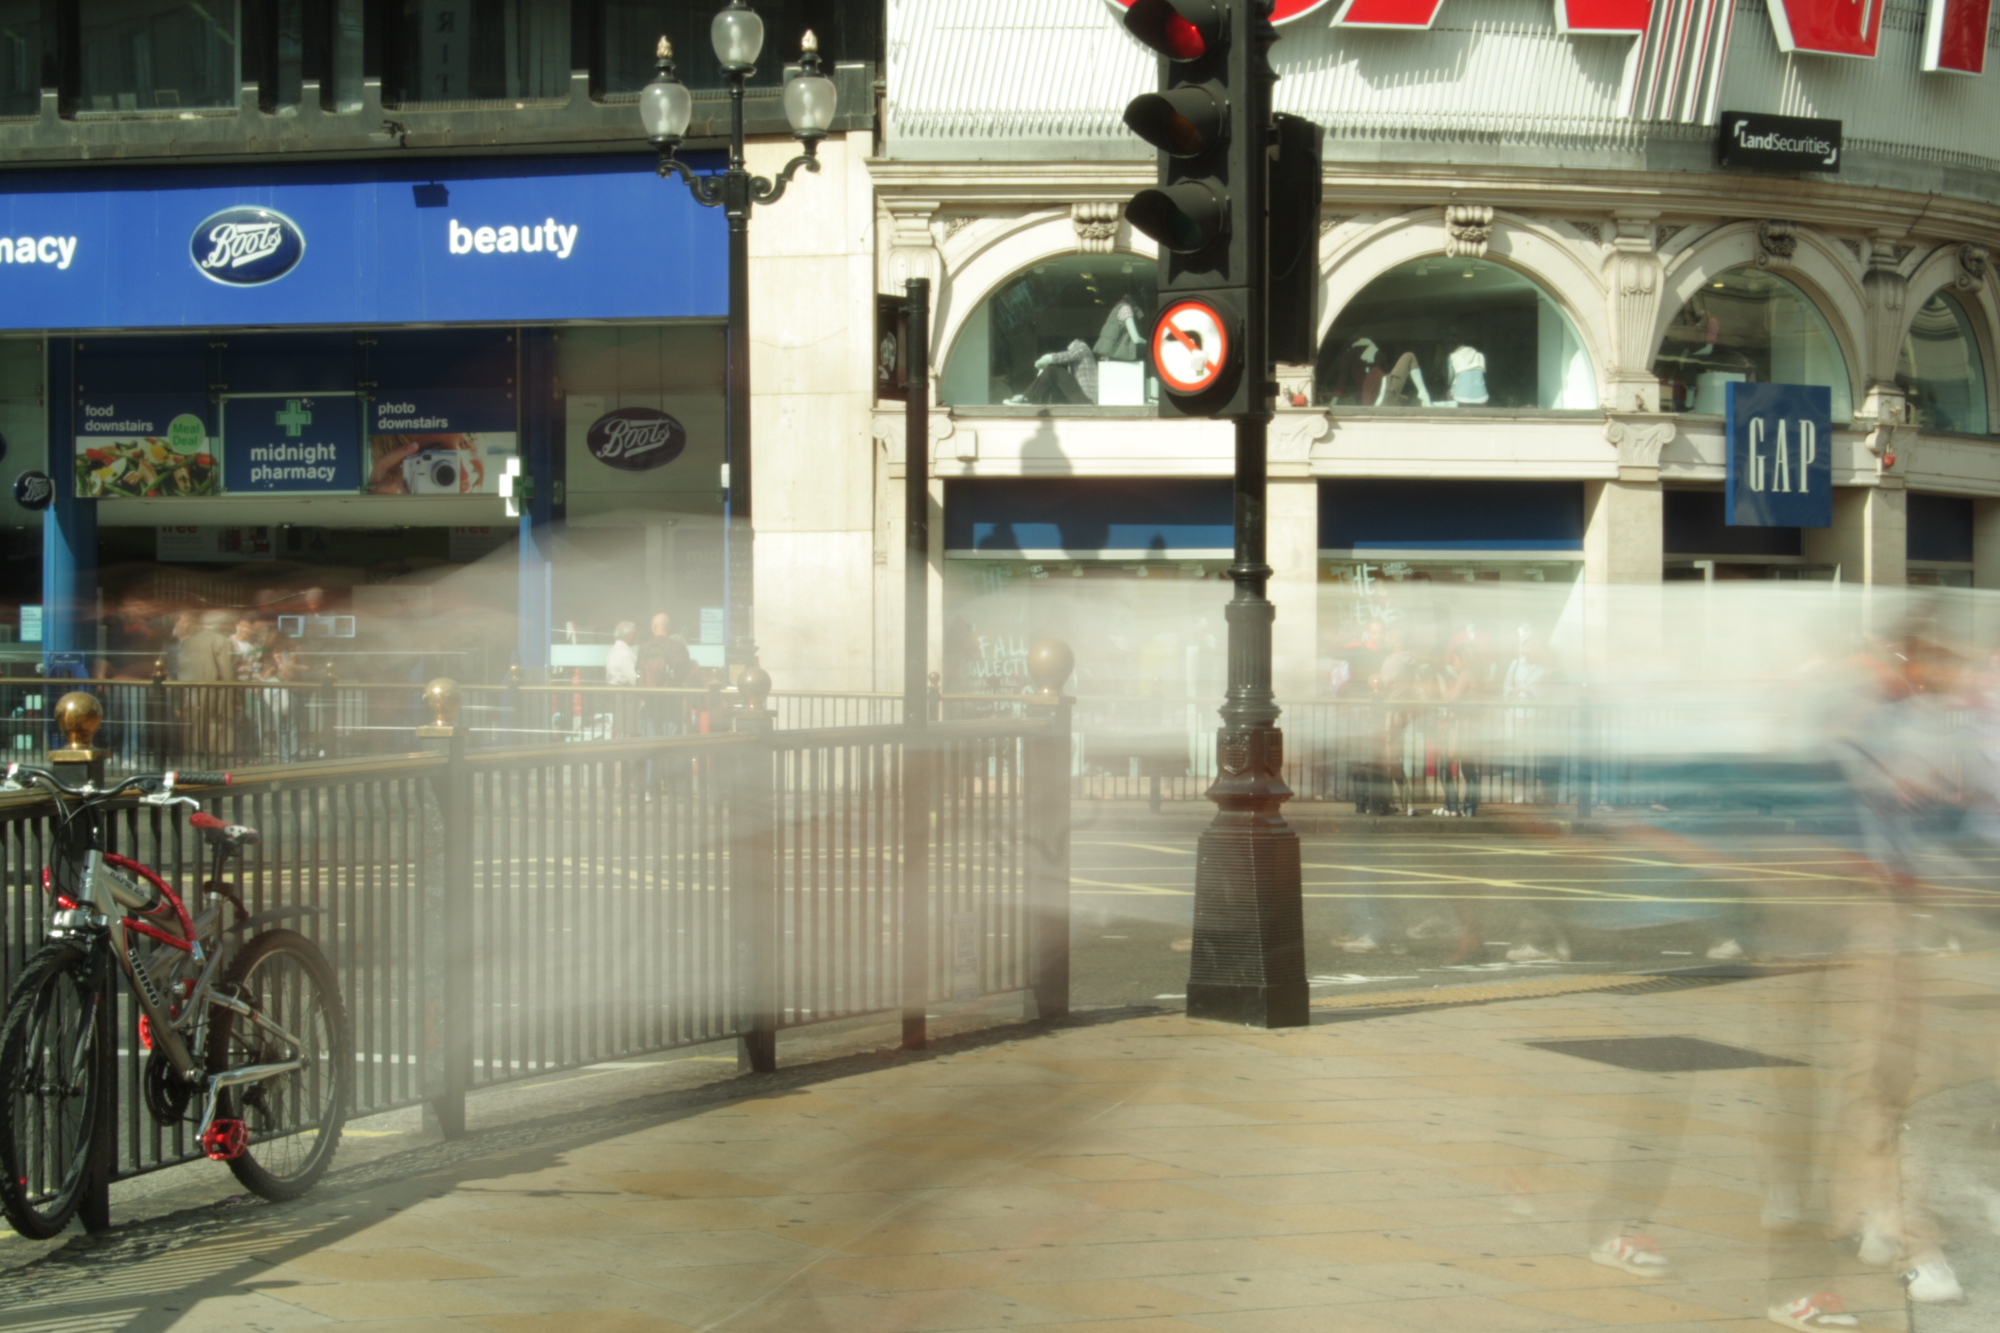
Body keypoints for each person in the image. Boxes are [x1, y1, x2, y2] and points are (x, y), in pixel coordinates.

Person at [1006, 338, 1098, 405]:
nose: (1068, 348)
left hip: (1088, 400)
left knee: (1053, 370)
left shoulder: (1082, 348)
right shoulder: (1077, 359)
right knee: (1052, 373)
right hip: (1084, 399)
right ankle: (1027, 398)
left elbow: (1065, 356)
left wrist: (1043, 361)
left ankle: (1026, 398)